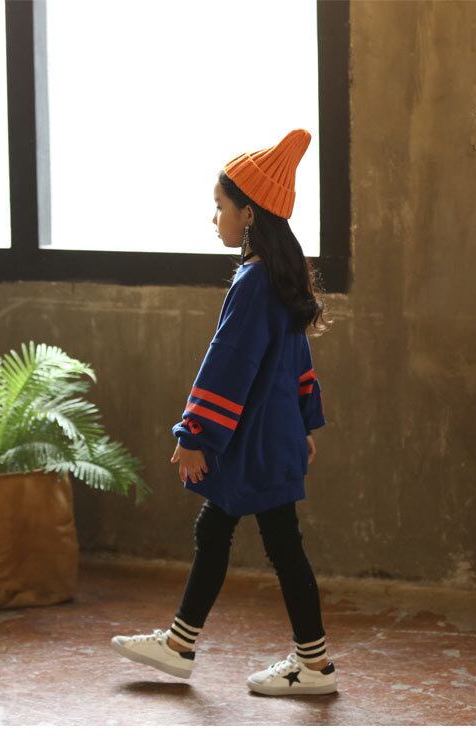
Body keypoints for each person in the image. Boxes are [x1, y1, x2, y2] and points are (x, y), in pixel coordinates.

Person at [111, 129, 335, 696]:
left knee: (269, 543)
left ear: (249, 213)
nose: (214, 218)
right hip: (271, 438)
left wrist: (195, 435)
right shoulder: (279, 276)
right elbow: (297, 360)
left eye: (220, 206)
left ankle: (310, 664)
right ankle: (182, 644)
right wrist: (304, 425)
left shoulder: (254, 281)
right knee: (227, 532)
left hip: (251, 442)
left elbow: (228, 363)